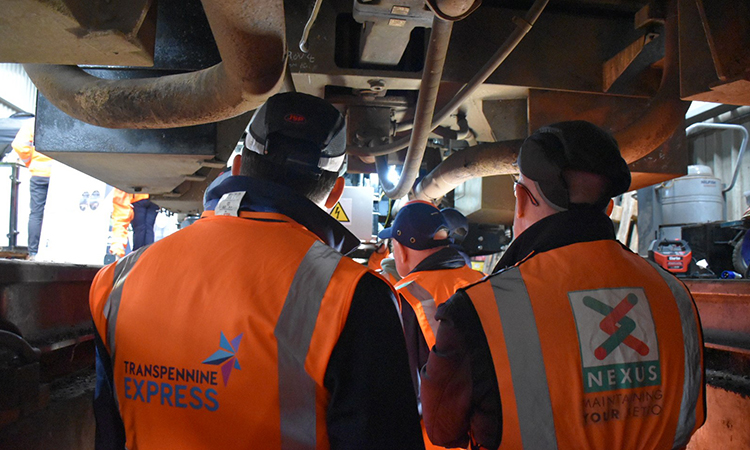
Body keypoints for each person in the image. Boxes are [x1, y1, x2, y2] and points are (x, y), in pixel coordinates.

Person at [89, 92, 425, 450]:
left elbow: (109, 433)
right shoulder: (354, 296)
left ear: (236, 167)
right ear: (335, 193)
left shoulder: (116, 281)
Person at [420, 121, 705, 450]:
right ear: (609, 207)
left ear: (522, 200)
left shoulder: (478, 311)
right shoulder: (674, 295)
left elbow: (442, 430)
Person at [378, 200, 484, 450]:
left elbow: (393, 390)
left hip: (431, 441)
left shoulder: (400, 297)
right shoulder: (484, 282)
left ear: (400, 251)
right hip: (489, 436)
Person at [12, 118, 52, 258]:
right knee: (57, 212)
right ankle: (53, 248)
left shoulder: (33, 122)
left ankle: (34, 252)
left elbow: (19, 145)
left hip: (39, 173)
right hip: (60, 175)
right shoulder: (64, 118)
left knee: (36, 213)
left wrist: (31, 161)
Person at [109, 190, 160, 258]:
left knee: (140, 229)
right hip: (154, 197)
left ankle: (137, 259)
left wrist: (118, 247)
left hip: (138, 197)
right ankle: (148, 257)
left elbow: (120, 212)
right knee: (149, 228)